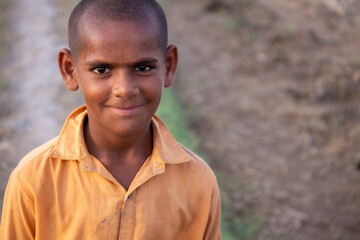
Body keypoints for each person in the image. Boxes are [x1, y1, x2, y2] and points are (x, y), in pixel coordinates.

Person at [0, 0, 221, 239]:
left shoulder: (197, 181)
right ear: (70, 70)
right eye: (102, 70)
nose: (124, 89)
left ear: (168, 66)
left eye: (143, 67)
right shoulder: (33, 179)